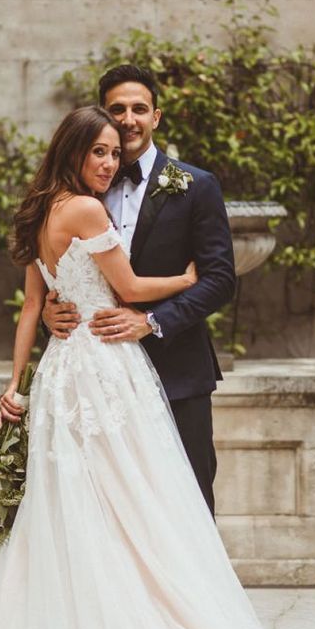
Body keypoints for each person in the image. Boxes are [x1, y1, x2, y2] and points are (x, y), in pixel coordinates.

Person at [0, 106, 264, 629]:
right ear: (73, 150)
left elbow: (30, 306)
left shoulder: (40, 209)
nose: (111, 162)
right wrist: (184, 277)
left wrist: (16, 383)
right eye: (100, 151)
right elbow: (129, 289)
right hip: (104, 366)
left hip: (61, 370)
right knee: (133, 491)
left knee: (76, 495)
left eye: (115, 152)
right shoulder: (88, 209)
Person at [43, 64, 234, 515]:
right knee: (106, 510)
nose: (129, 119)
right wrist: (54, 309)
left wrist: (151, 321)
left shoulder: (197, 186)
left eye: (139, 109)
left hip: (177, 373)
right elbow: (58, 268)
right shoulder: (81, 190)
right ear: (103, 116)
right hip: (97, 379)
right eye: (118, 109)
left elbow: (220, 279)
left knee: (187, 503)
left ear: (156, 117)